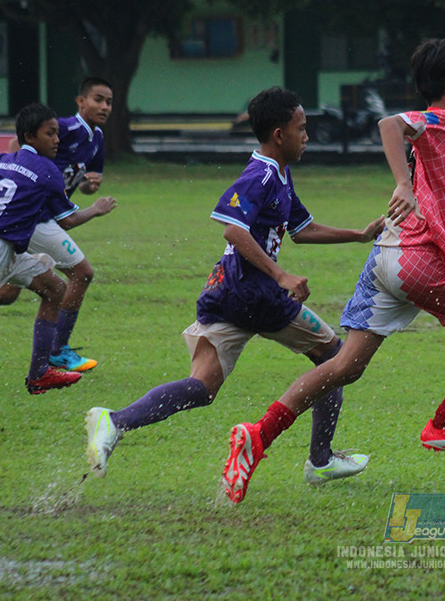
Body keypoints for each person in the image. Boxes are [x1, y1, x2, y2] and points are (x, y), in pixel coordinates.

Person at [220, 39, 445, 504]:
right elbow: (389, 124)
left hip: (385, 258)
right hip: (417, 262)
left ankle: (257, 435)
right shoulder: (441, 119)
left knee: (343, 366)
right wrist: (405, 187)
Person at [84, 87, 385, 485]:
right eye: (302, 128)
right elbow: (233, 229)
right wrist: (280, 275)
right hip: (256, 293)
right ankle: (321, 460)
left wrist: (359, 235)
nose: (307, 136)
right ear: (280, 134)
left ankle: (114, 422)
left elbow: (303, 229)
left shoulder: (278, 173)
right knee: (335, 360)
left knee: (201, 387)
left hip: (226, 290)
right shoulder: (259, 174)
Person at [0, 77, 116, 372]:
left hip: (35, 217)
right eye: (98, 99)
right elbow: (19, 147)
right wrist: (27, 169)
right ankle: (58, 350)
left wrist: (89, 186)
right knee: (82, 273)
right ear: (81, 101)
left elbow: (83, 184)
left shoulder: (97, 139)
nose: (104, 106)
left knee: (6, 293)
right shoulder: (64, 127)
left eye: (109, 102)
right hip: (33, 218)